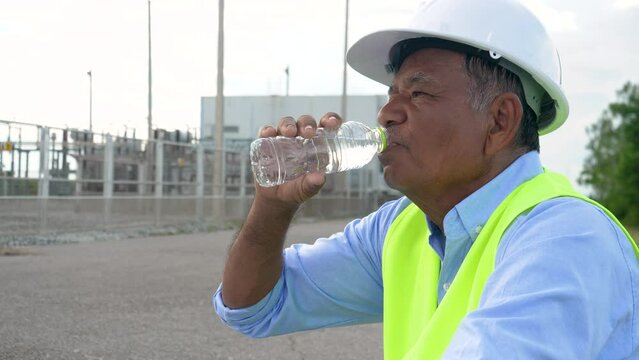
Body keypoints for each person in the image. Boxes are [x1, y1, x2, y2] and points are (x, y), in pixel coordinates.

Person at [213, 0, 639, 358]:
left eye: (418, 93)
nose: (386, 115)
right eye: (391, 95)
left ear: (500, 121)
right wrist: (272, 207)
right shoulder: (402, 227)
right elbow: (252, 306)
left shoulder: (565, 239)